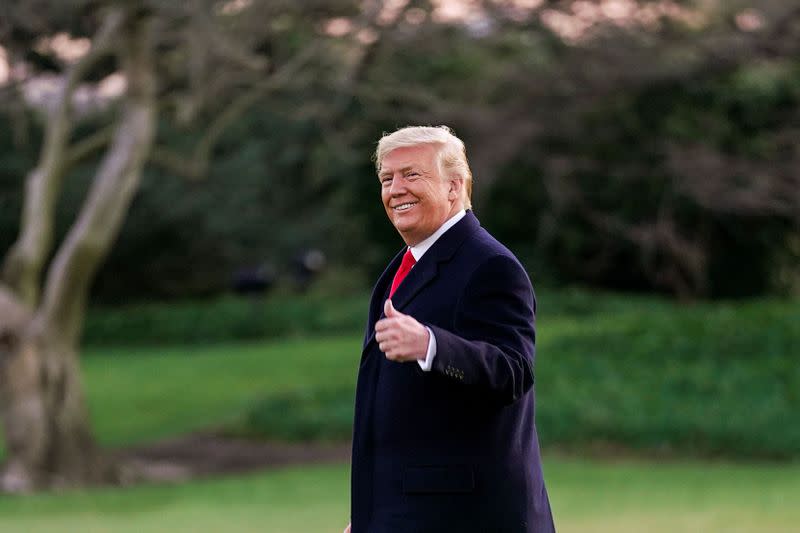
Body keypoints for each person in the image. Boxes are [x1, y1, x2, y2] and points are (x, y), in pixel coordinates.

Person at [345, 126, 555, 533]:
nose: (395, 189)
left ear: (455, 187)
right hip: (406, 515)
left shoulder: (491, 265)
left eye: (412, 175)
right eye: (387, 179)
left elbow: (513, 372)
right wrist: (373, 513)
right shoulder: (400, 269)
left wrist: (431, 345)